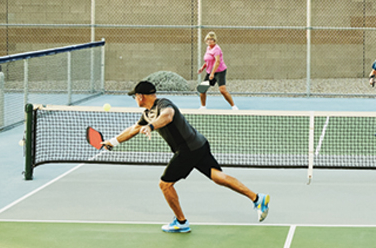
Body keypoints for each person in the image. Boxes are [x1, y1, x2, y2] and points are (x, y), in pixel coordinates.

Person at [104, 80, 268, 233]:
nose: (135, 99)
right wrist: (112, 142)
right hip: (199, 144)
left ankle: (181, 223)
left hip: (187, 149)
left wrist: (151, 127)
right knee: (218, 177)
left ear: (140, 96)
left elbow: (167, 116)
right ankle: (257, 198)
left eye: (135, 96)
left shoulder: (163, 104)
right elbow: (133, 129)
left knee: (165, 185)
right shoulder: (147, 114)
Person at [198, 31, 237, 110]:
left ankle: (234, 106)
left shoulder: (217, 49)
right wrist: (203, 67)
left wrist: (212, 74)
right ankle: (203, 107)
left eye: (211, 39)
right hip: (210, 72)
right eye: (208, 39)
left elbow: (217, 61)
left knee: (222, 90)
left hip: (220, 72)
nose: (209, 41)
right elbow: (208, 60)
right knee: (202, 90)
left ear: (214, 40)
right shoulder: (208, 48)